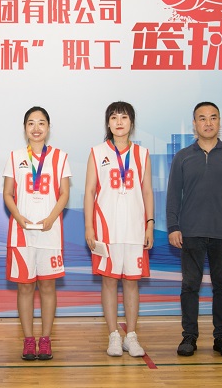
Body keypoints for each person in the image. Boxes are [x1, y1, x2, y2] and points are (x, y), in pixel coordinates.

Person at [166, 101, 222, 358]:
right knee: (190, 286)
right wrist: (173, 226)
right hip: (190, 232)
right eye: (202, 118)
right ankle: (189, 336)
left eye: (213, 117)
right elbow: (173, 195)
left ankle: (221, 337)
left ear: (219, 122)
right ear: (194, 124)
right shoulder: (182, 157)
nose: (208, 122)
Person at [84, 101, 154, 357]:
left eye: (124, 117)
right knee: (109, 281)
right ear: (108, 123)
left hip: (135, 229)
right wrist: (89, 227)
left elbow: (147, 191)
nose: (119, 122)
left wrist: (149, 224)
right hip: (106, 229)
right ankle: (114, 334)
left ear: (131, 122)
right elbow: (89, 191)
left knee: (132, 283)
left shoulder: (142, 154)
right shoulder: (97, 152)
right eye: (114, 117)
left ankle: (131, 335)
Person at [3, 106, 71, 361]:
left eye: (41, 122)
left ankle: (45, 339)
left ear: (48, 127)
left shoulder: (60, 157)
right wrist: (18, 216)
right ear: (25, 128)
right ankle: (28, 339)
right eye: (31, 123)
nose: (36, 128)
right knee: (25, 287)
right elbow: (8, 193)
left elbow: (64, 193)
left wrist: (51, 218)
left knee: (48, 286)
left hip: (49, 232)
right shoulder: (15, 156)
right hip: (21, 232)